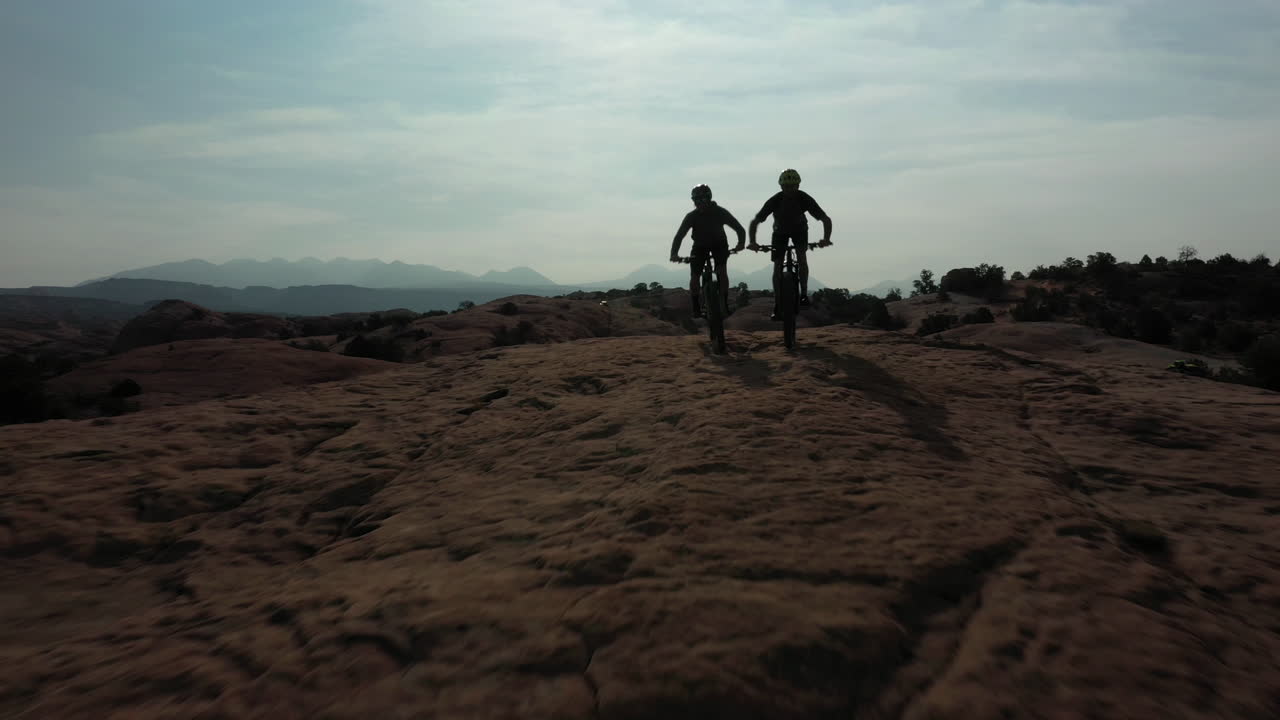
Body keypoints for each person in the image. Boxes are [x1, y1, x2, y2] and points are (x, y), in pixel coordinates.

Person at [747, 169, 832, 320]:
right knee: (777, 266)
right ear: (781, 187)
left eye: (792, 186)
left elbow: (825, 219)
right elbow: (756, 221)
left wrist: (826, 238)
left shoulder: (804, 198)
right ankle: (778, 304)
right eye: (786, 187)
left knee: (801, 258)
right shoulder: (775, 200)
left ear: (798, 185)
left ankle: (804, 294)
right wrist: (753, 242)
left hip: (800, 231)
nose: (790, 190)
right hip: (780, 232)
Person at [669, 184, 746, 317]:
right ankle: (696, 307)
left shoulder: (720, 212)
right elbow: (679, 236)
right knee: (694, 276)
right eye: (696, 200)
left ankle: (724, 304)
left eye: (703, 199)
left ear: (709, 198)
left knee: (721, 271)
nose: (699, 203)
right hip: (700, 246)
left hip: (719, 245)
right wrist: (674, 253)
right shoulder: (691, 216)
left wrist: (740, 243)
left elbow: (739, 228)